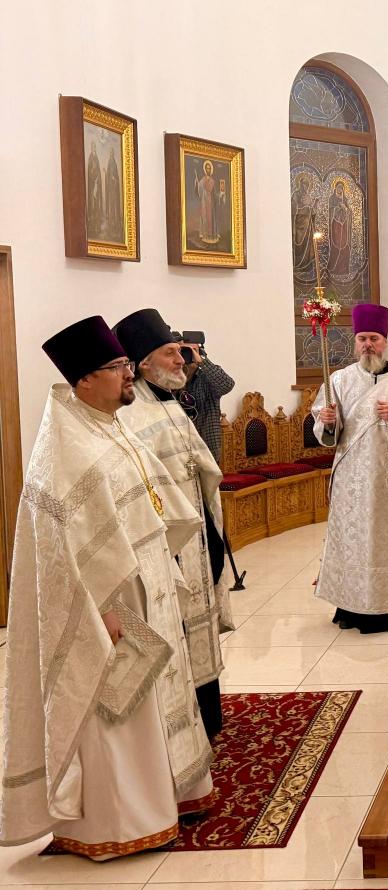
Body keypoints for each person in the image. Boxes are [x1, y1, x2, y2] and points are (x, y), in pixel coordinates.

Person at [0, 317, 214, 859]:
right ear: (85, 379)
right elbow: (62, 553)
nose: (127, 375)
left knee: (151, 698)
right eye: (118, 367)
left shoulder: (107, 425)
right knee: (117, 708)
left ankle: (168, 795)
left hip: (146, 584)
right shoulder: (65, 449)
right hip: (107, 606)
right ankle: (119, 822)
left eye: (125, 365)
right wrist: (101, 609)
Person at [114, 309, 230, 739]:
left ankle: (207, 716)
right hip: (167, 541)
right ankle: (180, 724)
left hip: (197, 529)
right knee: (176, 623)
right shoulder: (129, 415)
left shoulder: (169, 403)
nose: (182, 359)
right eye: (170, 353)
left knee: (199, 617)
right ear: (144, 363)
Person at [313, 303, 388, 633]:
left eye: (374, 338)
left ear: (385, 341)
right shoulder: (339, 380)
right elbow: (327, 432)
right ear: (355, 342)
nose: (368, 344)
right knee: (353, 541)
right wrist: (328, 421)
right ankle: (351, 606)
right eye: (362, 339)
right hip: (351, 480)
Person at [177, 330, 235, 464]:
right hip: (180, 448)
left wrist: (202, 362)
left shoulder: (207, 378)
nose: (189, 354)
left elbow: (227, 385)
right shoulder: (172, 379)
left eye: (194, 350)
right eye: (184, 351)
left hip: (207, 446)